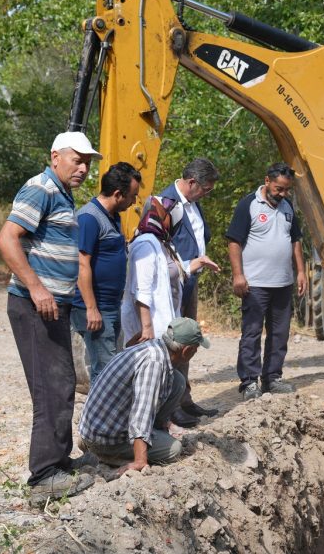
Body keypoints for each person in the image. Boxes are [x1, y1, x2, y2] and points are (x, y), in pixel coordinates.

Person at [0, 131, 102, 504]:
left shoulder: (62, 193)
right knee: (49, 388)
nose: (84, 167)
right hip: (32, 305)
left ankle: (58, 462)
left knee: (63, 382)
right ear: (55, 156)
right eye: (77, 159)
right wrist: (38, 288)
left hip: (53, 307)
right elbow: (7, 239)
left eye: (88, 161)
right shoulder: (39, 188)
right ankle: (43, 477)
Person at [78, 317, 210, 473]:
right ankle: (104, 455)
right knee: (174, 449)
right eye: (195, 349)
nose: (195, 353)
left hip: (96, 428)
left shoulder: (154, 347)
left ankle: (152, 435)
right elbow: (142, 414)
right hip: (104, 439)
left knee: (177, 381)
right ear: (186, 351)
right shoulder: (154, 364)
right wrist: (141, 461)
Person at [226, 163, 306, 400]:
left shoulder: (287, 207)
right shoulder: (248, 204)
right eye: (279, 189)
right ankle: (249, 382)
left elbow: (295, 240)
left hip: (283, 283)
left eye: (286, 190)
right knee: (251, 332)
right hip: (255, 283)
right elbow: (233, 242)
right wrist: (238, 275)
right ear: (267, 181)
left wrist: (300, 271)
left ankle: (272, 378)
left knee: (279, 333)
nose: (283, 194)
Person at [160, 158, 221, 424]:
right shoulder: (166, 204)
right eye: (206, 189)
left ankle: (184, 400)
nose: (207, 194)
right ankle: (169, 407)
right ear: (192, 182)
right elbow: (157, 248)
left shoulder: (193, 204)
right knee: (172, 344)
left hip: (190, 283)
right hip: (172, 285)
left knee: (188, 341)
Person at [71, 162, 142, 385]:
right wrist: (92, 309)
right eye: (132, 196)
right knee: (107, 373)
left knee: (108, 369)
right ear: (118, 194)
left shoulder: (114, 216)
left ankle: (101, 417)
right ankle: (100, 419)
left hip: (111, 306)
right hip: (95, 308)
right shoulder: (89, 218)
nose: (134, 202)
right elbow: (82, 265)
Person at [120, 195, 219, 349]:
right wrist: (146, 328)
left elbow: (170, 274)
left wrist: (198, 262)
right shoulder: (145, 244)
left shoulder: (163, 244)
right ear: (163, 218)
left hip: (163, 324)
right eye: (173, 221)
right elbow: (141, 289)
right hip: (149, 329)